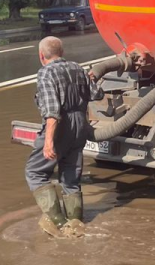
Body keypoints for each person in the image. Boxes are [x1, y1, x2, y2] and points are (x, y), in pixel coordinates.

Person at [25, 36, 101, 237]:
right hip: (80, 125)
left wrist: (49, 141)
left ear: (42, 56)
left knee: (35, 172)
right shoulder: (78, 68)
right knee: (70, 177)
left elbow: (52, 111)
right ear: (62, 52)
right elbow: (97, 94)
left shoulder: (45, 72)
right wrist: (91, 78)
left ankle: (59, 224)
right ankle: (76, 224)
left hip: (61, 125)